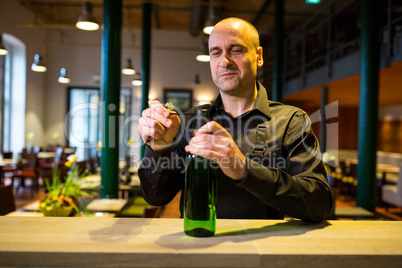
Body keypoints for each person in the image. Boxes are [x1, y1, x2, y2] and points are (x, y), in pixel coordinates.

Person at [138, 17, 332, 223]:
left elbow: (318, 203)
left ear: (258, 56)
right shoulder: (191, 121)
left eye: (236, 50)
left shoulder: (291, 121)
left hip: (262, 249)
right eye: (216, 52)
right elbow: (155, 197)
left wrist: (244, 168)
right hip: (196, 245)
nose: (224, 61)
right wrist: (159, 149)